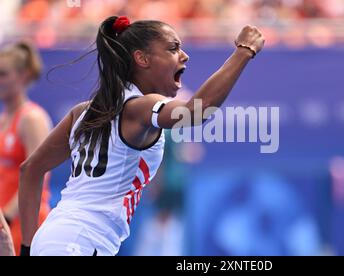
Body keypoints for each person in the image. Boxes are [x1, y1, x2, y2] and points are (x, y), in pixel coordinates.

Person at [19, 15, 264, 256]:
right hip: (80, 243)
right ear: (142, 59)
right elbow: (194, 112)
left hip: (56, 237)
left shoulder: (82, 112)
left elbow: (30, 169)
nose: (184, 55)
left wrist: (28, 247)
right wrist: (244, 51)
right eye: (173, 48)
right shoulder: (140, 107)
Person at [0, 41, 52, 256]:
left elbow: (40, 174)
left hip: (23, 221)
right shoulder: (3, 119)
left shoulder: (32, 118)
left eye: (3, 73)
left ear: (23, 76)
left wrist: (9, 214)